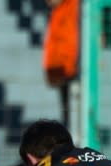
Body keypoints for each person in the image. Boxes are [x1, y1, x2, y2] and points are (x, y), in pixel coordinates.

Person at [42, 0, 80, 128]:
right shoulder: (57, 11)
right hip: (61, 67)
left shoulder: (74, 7)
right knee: (67, 111)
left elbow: (71, 41)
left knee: (75, 110)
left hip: (70, 67)